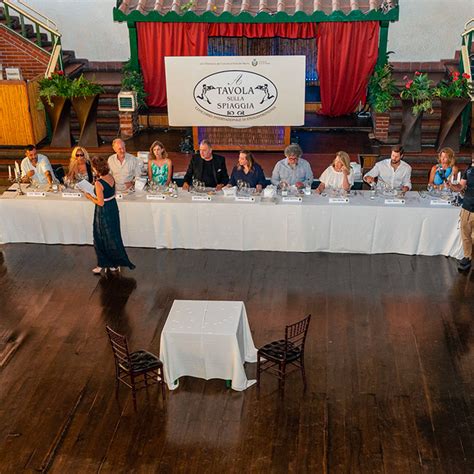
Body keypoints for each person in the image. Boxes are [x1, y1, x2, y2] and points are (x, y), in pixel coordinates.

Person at [83, 155, 135, 275]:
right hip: (112, 207)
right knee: (112, 236)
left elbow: (100, 202)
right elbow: (113, 192)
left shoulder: (98, 183)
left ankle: (103, 263)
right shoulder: (111, 177)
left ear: (96, 169)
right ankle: (113, 263)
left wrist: (89, 196)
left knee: (100, 237)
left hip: (103, 211)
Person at [449, 161, 474, 271]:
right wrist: (451, 185)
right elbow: (460, 186)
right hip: (467, 207)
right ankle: (467, 257)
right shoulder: (468, 170)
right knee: (465, 235)